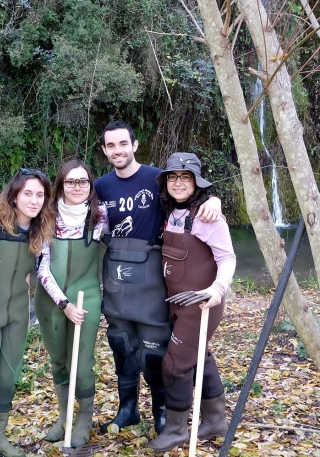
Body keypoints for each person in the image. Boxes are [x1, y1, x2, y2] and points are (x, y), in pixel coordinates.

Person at [94, 120, 222, 435]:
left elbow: (188, 198)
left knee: (155, 349)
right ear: (104, 150)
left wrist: (213, 200)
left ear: (134, 145)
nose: (117, 151)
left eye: (123, 144)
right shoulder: (100, 186)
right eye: (111, 146)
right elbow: (67, 210)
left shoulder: (156, 179)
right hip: (115, 274)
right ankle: (128, 410)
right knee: (121, 343)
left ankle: (162, 412)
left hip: (153, 273)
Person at [145, 152, 235, 452]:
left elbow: (227, 257)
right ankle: (215, 421)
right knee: (200, 357)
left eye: (186, 177)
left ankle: (175, 429)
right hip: (176, 303)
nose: (178, 182)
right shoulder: (170, 212)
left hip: (201, 304)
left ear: (197, 183)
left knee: (174, 365)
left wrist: (217, 289)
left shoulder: (207, 215)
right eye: (173, 177)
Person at [0, 168, 56, 457]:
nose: (33, 200)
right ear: (14, 195)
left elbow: (35, 271)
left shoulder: (40, 229)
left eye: (39, 195)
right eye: (27, 193)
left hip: (18, 313)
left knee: (8, 376)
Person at [33, 160, 108, 447]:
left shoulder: (101, 216)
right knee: (59, 361)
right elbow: (42, 268)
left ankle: (84, 418)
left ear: (90, 186)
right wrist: (63, 303)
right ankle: (64, 416)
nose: (77, 187)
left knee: (82, 363)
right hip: (51, 300)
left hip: (87, 297)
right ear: (61, 184)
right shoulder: (46, 217)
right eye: (71, 181)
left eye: (83, 182)